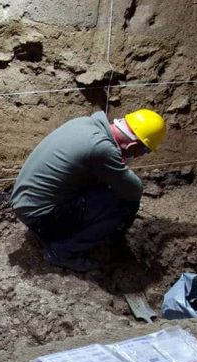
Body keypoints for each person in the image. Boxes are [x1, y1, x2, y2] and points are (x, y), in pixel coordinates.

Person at [10, 108, 166, 272]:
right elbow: (133, 191)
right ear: (133, 145)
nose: (141, 155)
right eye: (145, 151)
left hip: (26, 203)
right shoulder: (102, 149)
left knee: (103, 188)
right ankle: (63, 252)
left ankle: (60, 233)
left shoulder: (85, 123)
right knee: (123, 205)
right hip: (41, 217)